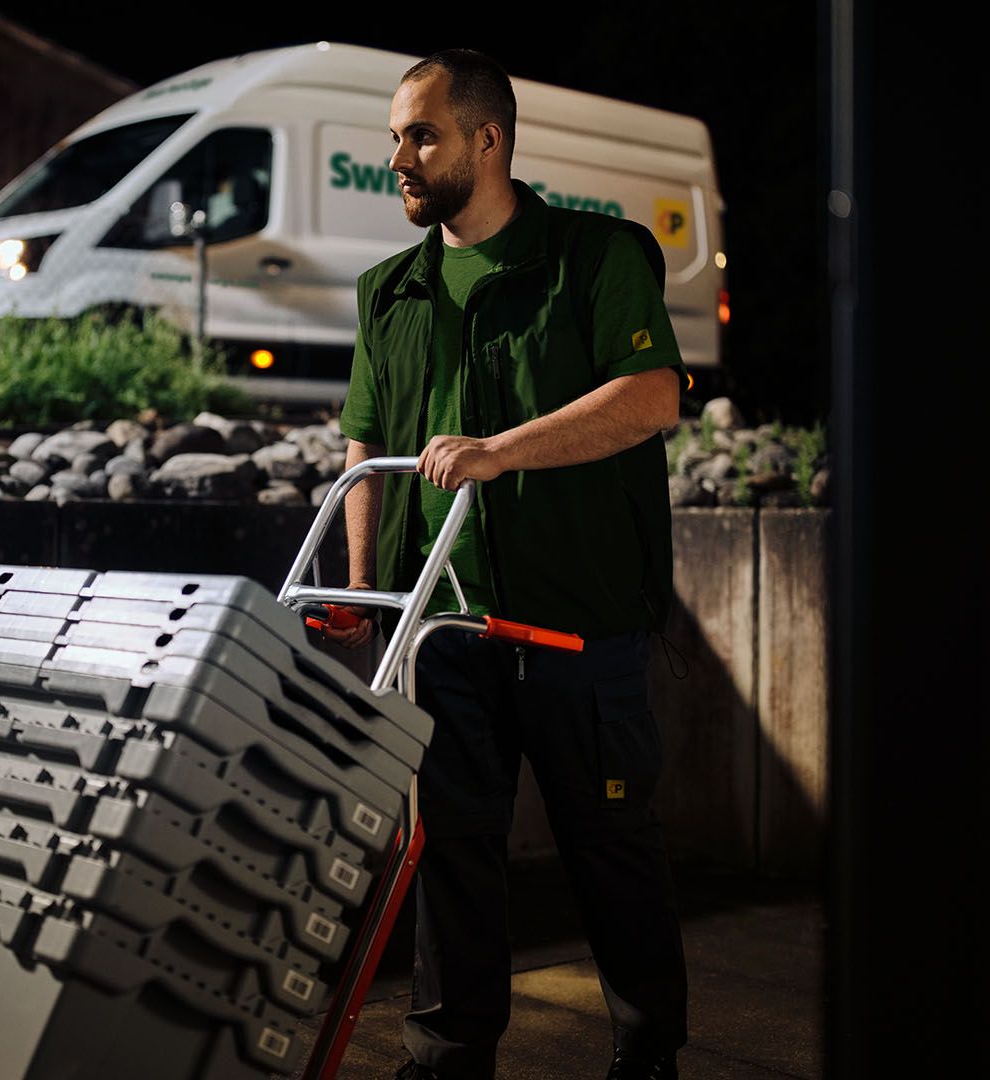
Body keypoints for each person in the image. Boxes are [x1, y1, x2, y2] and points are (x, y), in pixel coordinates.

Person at [326, 49, 690, 1080]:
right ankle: (447, 1057)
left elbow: (651, 397)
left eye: (421, 134)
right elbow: (367, 446)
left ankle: (648, 1055)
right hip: (441, 630)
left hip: (578, 628)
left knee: (611, 852)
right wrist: (363, 590)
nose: (398, 155)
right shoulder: (387, 292)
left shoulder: (594, 256)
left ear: (488, 139)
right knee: (448, 857)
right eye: (396, 134)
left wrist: (500, 450)